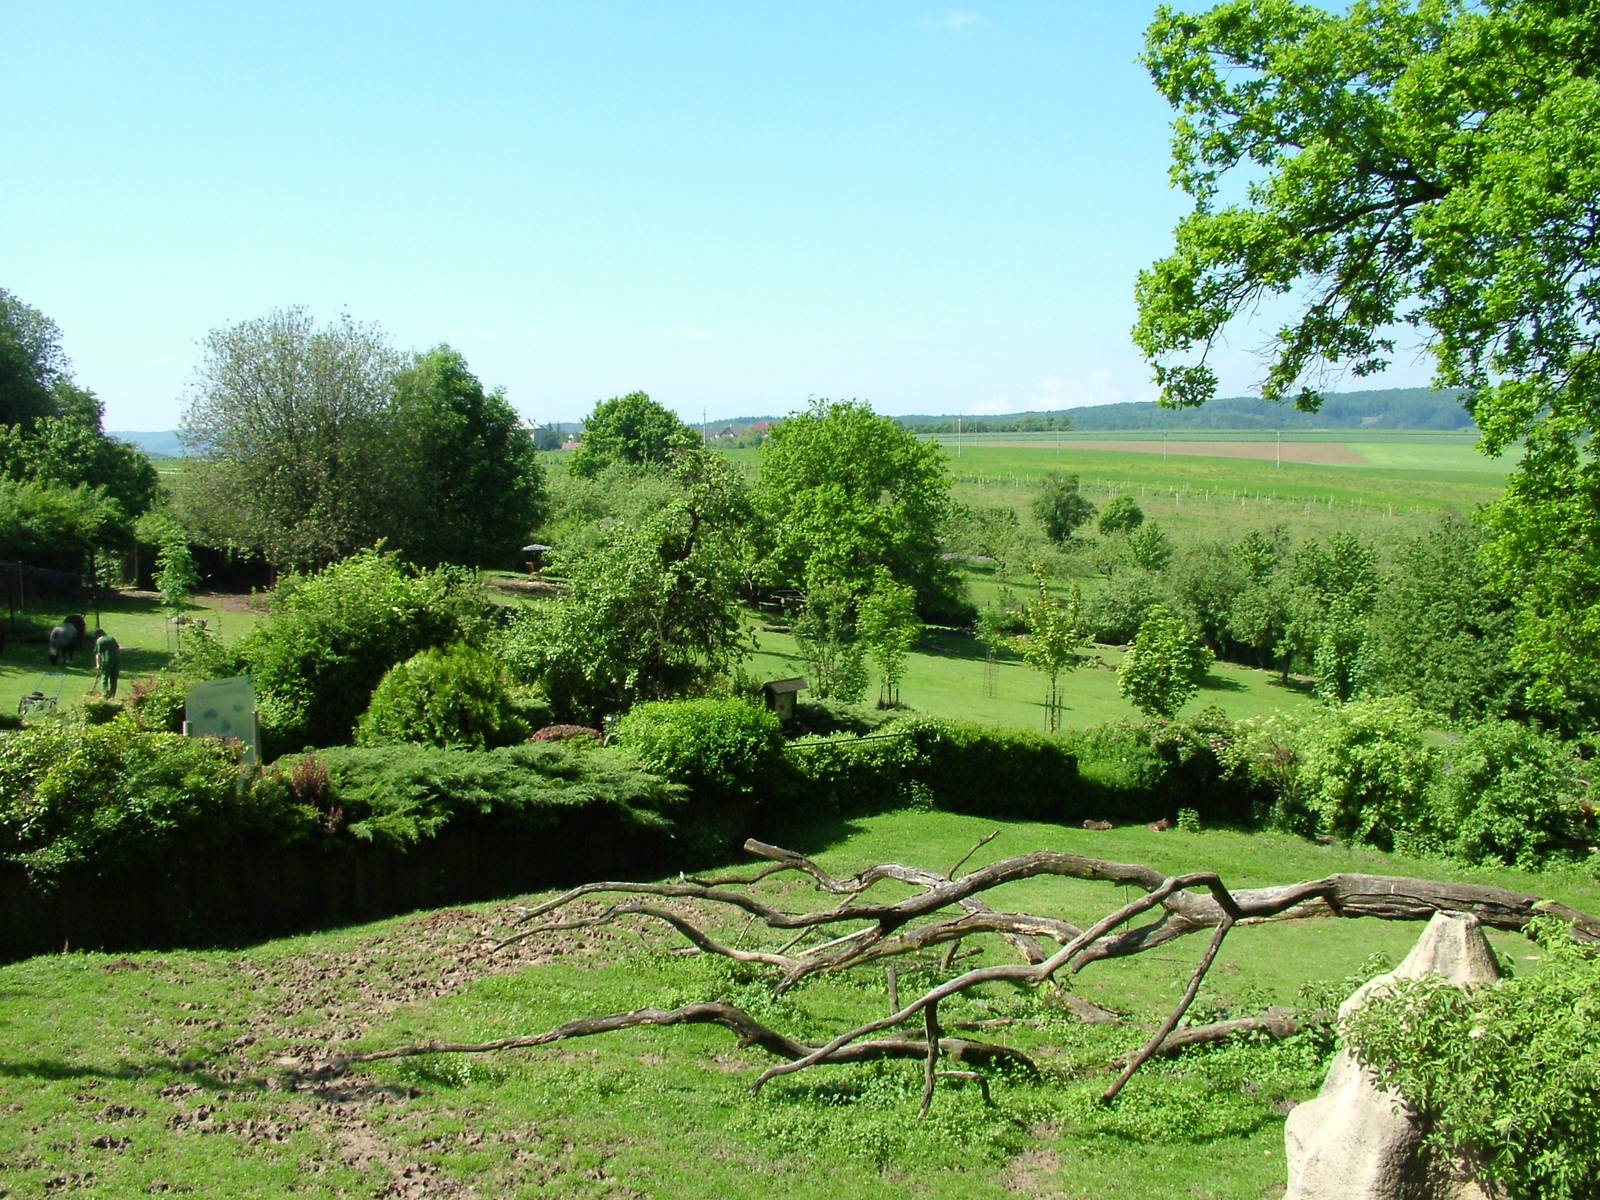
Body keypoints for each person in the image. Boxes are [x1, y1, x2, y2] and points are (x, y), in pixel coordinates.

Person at [93, 628, 120, 698]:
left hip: (106, 661)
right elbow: (117, 648)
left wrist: (98, 664)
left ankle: (105, 695)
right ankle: (112, 695)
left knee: (104, 678)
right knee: (114, 678)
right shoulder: (111, 638)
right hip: (116, 660)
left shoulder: (99, 641)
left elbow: (98, 654)